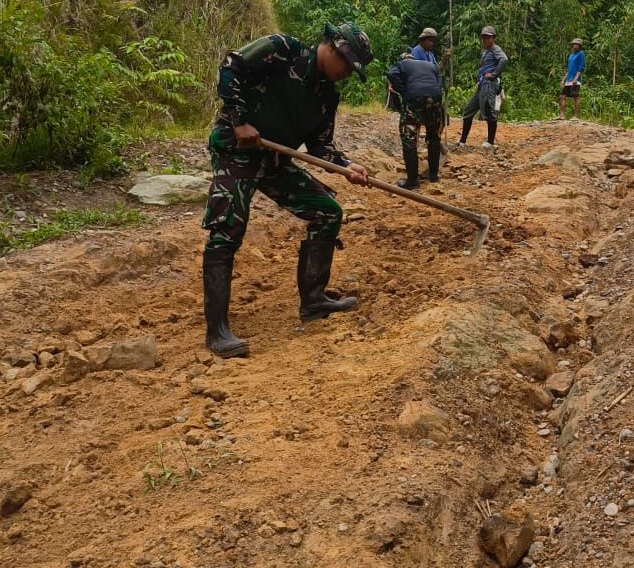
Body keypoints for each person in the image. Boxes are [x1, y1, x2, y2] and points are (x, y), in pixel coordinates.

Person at [201, 22, 374, 359]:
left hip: (274, 159)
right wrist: (238, 120)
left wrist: (346, 164)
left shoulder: (328, 96)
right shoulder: (281, 49)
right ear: (330, 46)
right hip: (236, 150)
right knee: (227, 228)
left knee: (328, 212)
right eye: (346, 65)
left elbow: (320, 147)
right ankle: (218, 331)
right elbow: (230, 67)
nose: (346, 74)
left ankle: (313, 300)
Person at [386, 53, 445, 188]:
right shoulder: (430, 64)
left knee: (409, 137)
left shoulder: (402, 64)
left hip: (414, 97)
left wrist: (403, 91)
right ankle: (434, 177)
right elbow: (439, 78)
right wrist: (435, 93)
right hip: (435, 97)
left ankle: (412, 181)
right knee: (434, 136)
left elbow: (391, 74)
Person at [458, 26, 508, 148]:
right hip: (482, 84)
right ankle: (462, 141)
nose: (485, 40)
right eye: (484, 37)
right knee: (469, 110)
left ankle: (490, 142)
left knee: (489, 111)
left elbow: (504, 60)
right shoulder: (486, 51)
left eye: (488, 37)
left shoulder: (495, 49)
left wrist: (494, 74)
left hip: (489, 84)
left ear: (493, 38)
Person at [558, 38, 586, 120]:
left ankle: (576, 116)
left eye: (577, 44)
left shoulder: (581, 54)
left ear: (580, 46)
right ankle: (562, 115)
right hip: (569, 80)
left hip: (575, 80)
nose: (575, 45)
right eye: (574, 44)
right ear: (572, 45)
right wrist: (563, 80)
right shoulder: (571, 56)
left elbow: (581, 68)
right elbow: (569, 69)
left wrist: (576, 78)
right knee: (562, 96)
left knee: (575, 97)